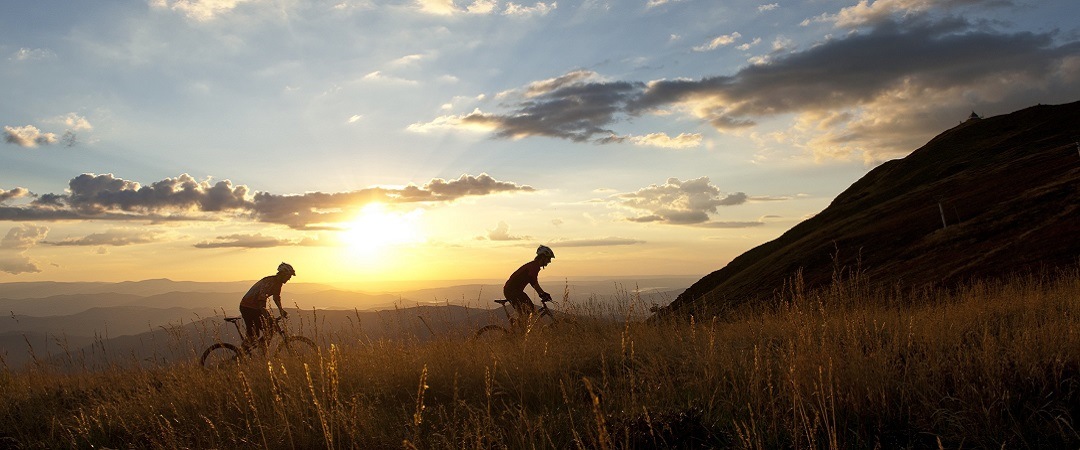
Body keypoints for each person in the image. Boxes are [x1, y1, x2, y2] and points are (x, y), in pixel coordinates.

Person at [239, 262, 295, 350]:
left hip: (255, 307)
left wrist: (281, 309)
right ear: (283, 274)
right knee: (254, 334)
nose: (289, 279)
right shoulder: (269, 282)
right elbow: (261, 301)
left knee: (270, 328)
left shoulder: (278, 283)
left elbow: (276, 298)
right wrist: (267, 316)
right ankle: (240, 355)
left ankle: (261, 349)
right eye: (289, 276)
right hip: (248, 307)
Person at [503, 245, 554, 323]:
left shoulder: (533, 265)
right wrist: (542, 294)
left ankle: (519, 329)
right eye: (548, 258)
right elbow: (533, 282)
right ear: (543, 257)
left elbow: (533, 282)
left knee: (527, 312)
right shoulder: (534, 266)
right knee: (529, 311)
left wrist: (542, 293)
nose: (549, 261)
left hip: (513, 291)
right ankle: (519, 331)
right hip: (512, 291)